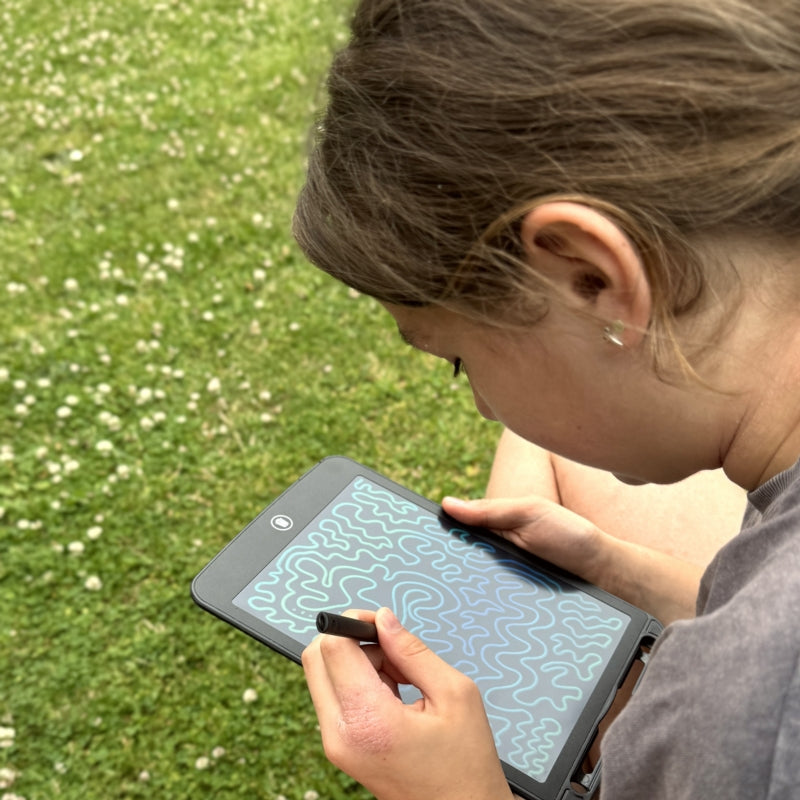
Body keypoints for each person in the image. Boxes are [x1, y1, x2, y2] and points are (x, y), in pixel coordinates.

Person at [292, 1, 800, 798]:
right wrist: (618, 572)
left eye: (458, 359)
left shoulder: (738, 722)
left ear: (591, 276)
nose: (483, 406)